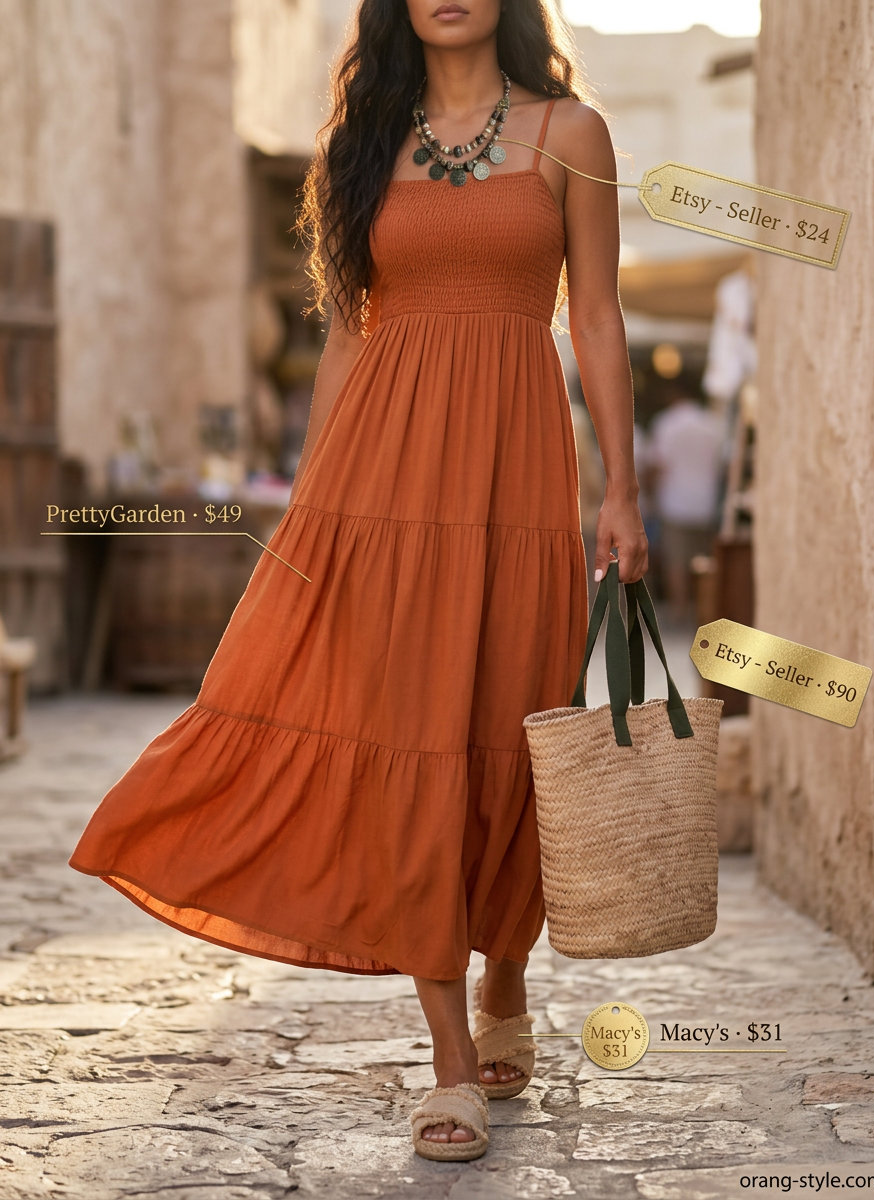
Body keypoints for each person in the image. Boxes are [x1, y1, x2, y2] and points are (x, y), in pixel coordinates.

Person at [68, 0, 647, 1162]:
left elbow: (592, 316)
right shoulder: (360, 146)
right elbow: (346, 332)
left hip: (517, 475)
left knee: (511, 727)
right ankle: (447, 1059)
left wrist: (620, 492)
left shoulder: (568, 133)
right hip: (383, 482)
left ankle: (505, 978)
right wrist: (314, 505)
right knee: (413, 733)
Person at [646, 377, 725, 625]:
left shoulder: (666, 424)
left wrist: (651, 496)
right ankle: (702, 611)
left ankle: (680, 612)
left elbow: (658, 466)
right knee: (704, 563)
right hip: (706, 503)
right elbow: (722, 465)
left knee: (676, 562)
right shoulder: (712, 425)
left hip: (675, 502)